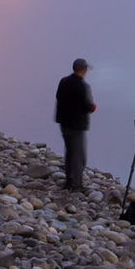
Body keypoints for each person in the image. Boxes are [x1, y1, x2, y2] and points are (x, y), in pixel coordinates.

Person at [54, 59, 95, 191]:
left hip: (64, 123)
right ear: (83, 70)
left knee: (69, 152)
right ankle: (77, 185)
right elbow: (88, 106)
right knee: (79, 155)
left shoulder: (63, 81)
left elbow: (58, 97)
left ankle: (69, 180)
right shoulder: (83, 86)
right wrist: (93, 107)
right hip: (77, 125)